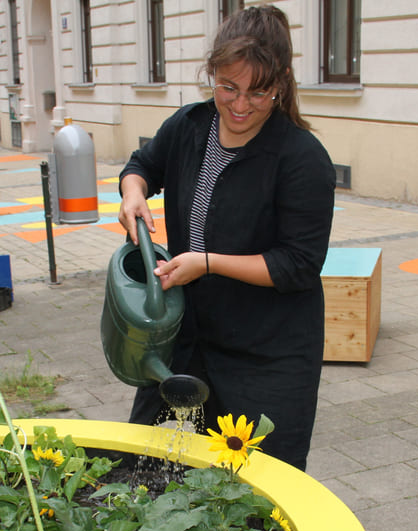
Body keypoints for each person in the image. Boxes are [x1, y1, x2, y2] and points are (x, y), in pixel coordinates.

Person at [116, 5, 336, 471]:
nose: (239, 105)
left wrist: (208, 262)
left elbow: (297, 264)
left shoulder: (301, 158)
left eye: (257, 93)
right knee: (148, 466)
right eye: (227, 87)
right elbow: (142, 165)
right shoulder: (191, 126)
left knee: (254, 490)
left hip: (267, 354)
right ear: (212, 75)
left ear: (279, 86)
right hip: (187, 341)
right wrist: (132, 194)